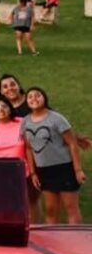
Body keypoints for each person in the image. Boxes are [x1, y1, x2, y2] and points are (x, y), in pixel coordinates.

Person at [23, 87, 85, 224]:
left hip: (64, 167)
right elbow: (28, 148)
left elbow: (72, 143)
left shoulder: (56, 118)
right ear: (26, 102)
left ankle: (75, 241)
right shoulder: (26, 122)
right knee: (50, 209)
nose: (34, 99)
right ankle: (53, 242)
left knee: (70, 208)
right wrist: (33, 173)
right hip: (44, 170)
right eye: (30, 97)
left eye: (37, 95)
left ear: (44, 98)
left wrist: (78, 170)